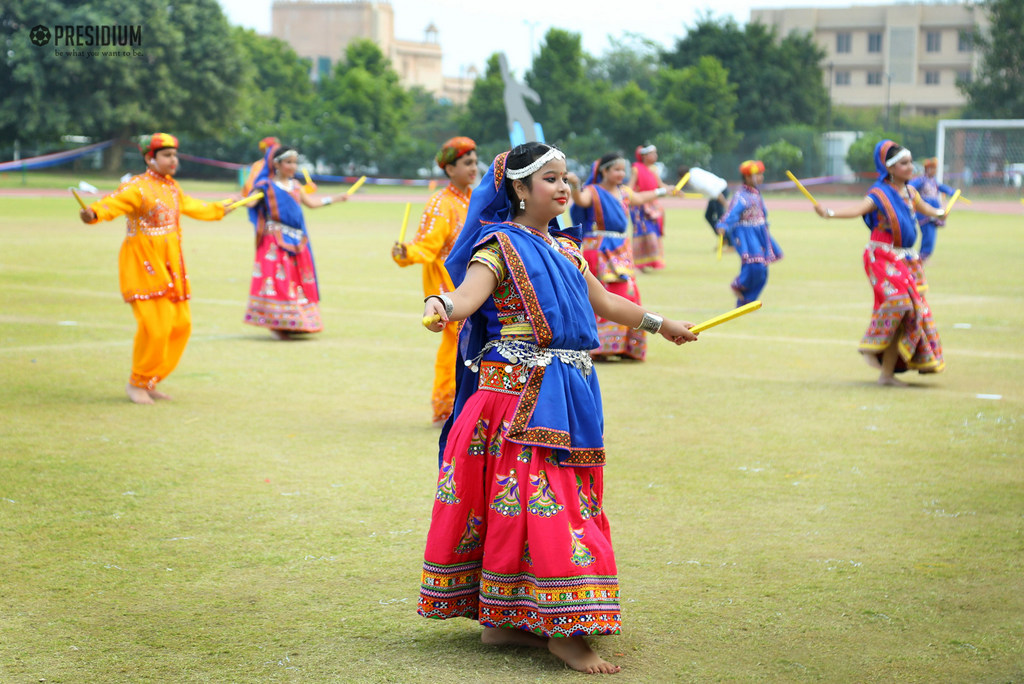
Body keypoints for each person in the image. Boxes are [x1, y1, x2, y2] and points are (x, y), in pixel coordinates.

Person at [417, 142, 698, 674]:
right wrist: (440, 304)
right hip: (516, 399)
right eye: (549, 179)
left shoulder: (568, 250)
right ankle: (562, 629)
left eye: (565, 177)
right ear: (520, 189)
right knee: (543, 504)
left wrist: (663, 326)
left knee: (533, 503)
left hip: (565, 391)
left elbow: (609, 304)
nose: (563, 187)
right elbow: (467, 297)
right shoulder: (497, 247)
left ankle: (504, 622)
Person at [79, 133, 232, 404]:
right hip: (143, 262)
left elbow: (193, 206)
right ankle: (136, 383)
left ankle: (150, 380)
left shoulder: (172, 187)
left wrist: (220, 208)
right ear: (150, 158)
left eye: (174, 155)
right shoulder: (137, 188)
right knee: (155, 327)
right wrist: (93, 213)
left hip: (171, 263)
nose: (173, 160)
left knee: (181, 325)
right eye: (166, 155)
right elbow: (111, 204)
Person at [813, 140, 945, 385]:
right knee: (900, 302)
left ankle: (886, 374)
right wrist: (829, 213)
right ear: (891, 168)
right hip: (881, 256)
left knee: (908, 310)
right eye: (904, 163)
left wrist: (939, 213)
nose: (910, 167)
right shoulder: (880, 193)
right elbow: (858, 208)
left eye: (910, 162)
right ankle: (872, 347)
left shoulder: (910, 192)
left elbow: (925, 208)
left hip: (904, 257)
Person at [392, 136, 478, 426]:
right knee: (456, 346)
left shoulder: (473, 199)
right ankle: (448, 406)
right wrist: (405, 253)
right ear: (449, 168)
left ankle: (467, 405)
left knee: (471, 344)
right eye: (467, 163)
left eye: (475, 162)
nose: (473, 168)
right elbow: (427, 246)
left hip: (474, 282)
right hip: (447, 285)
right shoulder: (441, 203)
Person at [567, 153, 668, 360]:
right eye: (617, 170)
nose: (621, 174)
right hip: (601, 247)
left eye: (623, 170)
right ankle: (602, 347)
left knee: (628, 292)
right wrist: (575, 186)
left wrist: (662, 190)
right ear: (604, 171)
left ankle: (625, 346)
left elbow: (641, 198)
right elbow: (580, 199)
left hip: (622, 248)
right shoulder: (593, 192)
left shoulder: (624, 192)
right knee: (606, 293)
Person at [243, 144, 348, 339]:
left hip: (297, 240)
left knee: (295, 280)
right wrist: (239, 200)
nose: (292, 166)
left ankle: (295, 322)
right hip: (274, 240)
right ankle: (277, 324)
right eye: (288, 162)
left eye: (294, 163)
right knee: (278, 281)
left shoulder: (296, 186)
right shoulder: (265, 186)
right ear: (277, 164)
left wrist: (336, 198)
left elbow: (312, 203)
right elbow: (250, 202)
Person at [716, 160, 783, 306]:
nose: (761, 178)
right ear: (747, 177)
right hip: (745, 234)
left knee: (763, 269)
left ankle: (747, 300)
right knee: (754, 264)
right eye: (757, 174)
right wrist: (723, 225)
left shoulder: (756, 194)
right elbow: (732, 212)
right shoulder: (741, 196)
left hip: (759, 232)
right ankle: (738, 284)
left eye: (761, 174)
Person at [909, 157, 957, 265]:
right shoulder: (921, 180)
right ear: (927, 169)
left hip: (934, 211)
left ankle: (924, 257)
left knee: (931, 236)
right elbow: (910, 187)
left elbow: (942, 187)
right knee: (927, 235)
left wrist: (952, 192)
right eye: (932, 168)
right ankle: (921, 258)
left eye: (935, 169)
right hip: (925, 212)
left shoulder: (933, 181)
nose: (934, 171)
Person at [628, 144, 667, 270]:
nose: (655, 156)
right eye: (652, 153)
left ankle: (651, 261)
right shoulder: (636, 169)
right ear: (644, 156)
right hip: (639, 207)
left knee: (653, 233)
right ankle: (639, 264)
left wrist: (673, 190)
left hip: (653, 206)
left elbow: (661, 186)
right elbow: (630, 187)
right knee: (643, 232)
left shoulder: (654, 169)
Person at [678, 164, 731, 248]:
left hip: (720, 192)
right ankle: (724, 239)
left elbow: (716, 192)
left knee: (721, 219)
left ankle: (731, 243)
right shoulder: (693, 171)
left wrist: (725, 204)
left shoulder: (695, 181)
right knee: (708, 216)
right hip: (715, 195)